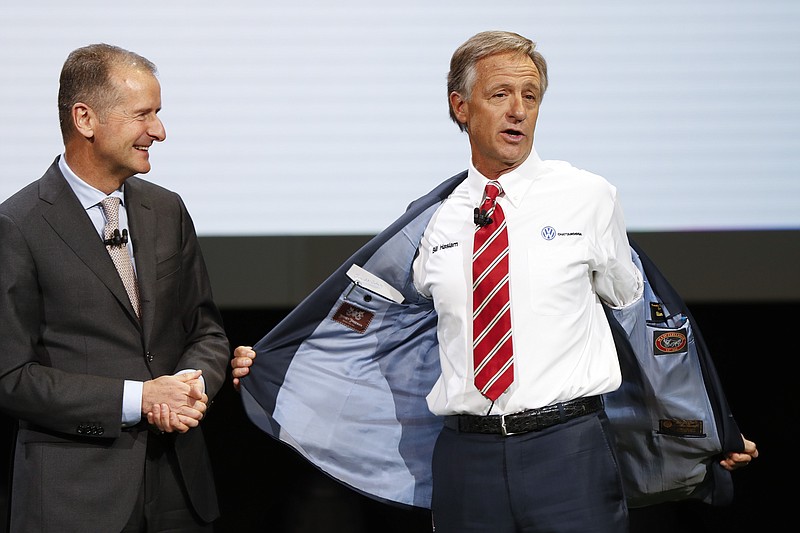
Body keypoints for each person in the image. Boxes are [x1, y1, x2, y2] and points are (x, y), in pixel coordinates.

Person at [230, 31, 758, 532]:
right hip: (466, 457)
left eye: (530, 95)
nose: (518, 110)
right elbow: (372, 332)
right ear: (461, 108)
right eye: (500, 93)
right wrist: (279, 362)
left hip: (570, 449)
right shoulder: (432, 221)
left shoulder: (588, 196)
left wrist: (712, 424)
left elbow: (640, 325)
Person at [0, 43, 230, 532]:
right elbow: (10, 376)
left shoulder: (167, 210)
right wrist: (139, 399)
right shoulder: (17, 226)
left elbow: (206, 332)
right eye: (143, 115)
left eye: (158, 113)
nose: (159, 131)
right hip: (75, 499)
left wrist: (191, 386)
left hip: (179, 490)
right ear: (85, 119)